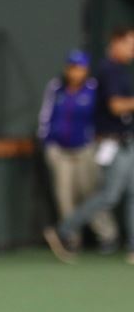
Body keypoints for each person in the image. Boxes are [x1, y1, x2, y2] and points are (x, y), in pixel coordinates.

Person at [45, 27, 134, 264]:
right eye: (129, 43)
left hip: (114, 143)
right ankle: (65, 230)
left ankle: (126, 244)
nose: (132, 48)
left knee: (124, 194)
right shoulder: (105, 72)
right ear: (115, 42)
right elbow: (115, 107)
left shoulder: (109, 77)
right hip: (108, 145)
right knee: (107, 195)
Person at [37, 49, 119, 253]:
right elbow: (46, 116)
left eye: (80, 68)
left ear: (86, 70)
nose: (76, 72)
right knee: (64, 195)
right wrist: (47, 142)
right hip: (59, 150)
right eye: (72, 67)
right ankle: (71, 239)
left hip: (85, 149)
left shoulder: (94, 89)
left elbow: (101, 117)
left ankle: (107, 236)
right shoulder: (56, 88)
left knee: (91, 193)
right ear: (67, 68)